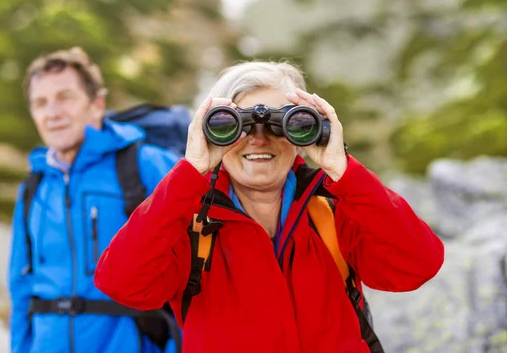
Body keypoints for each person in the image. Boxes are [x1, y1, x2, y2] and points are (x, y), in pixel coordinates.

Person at [94, 61, 445, 353]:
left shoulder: (334, 210)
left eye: (286, 122)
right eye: (233, 124)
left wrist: (343, 169)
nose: (258, 138)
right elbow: (123, 284)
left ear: (309, 128)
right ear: (207, 131)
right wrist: (191, 172)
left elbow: (416, 265)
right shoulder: (189, 221)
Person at [7, 47, 179, 353]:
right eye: (40, 103)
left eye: (65, 97)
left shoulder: (147, 165)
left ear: (97, 103)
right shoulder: (34, 186)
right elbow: (20, 289)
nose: (52, 113)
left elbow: (196, 272)